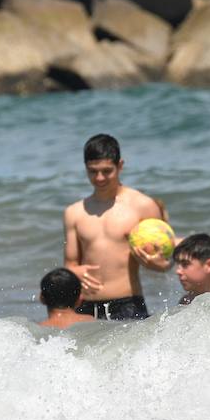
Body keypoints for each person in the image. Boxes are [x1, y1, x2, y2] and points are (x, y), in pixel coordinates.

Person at [62, 133, 168, 320]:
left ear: (120, 166)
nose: (100, 177)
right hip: (85, 307)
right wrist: (73, 271)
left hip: (127, 303)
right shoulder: (74, 212)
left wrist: (159, 264)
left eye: (106, 171)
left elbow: (165, 260)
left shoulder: (143, 205)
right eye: (93, 171)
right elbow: (70, 263)